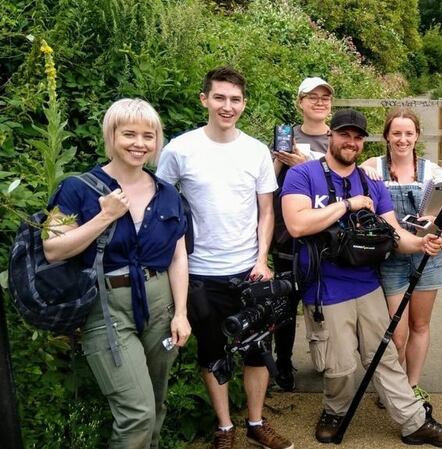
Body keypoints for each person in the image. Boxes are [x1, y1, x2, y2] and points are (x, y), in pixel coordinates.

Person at [281, 108, 442, 447]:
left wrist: (421, 243)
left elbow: (394, 234)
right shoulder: (303, 176)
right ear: (330, 137)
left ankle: (413, 421)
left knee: (384, 356)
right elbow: (297, 224)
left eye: (356, 136)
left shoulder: (370, 182)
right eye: (344, 134)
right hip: (324, 287)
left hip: (367, 283)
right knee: (339, 367)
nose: (350, 141)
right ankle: (334, 410)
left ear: (363, 142)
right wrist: (348, 205)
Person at [156, 67, 293, 449]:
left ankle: (255, 422)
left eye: (234, 99)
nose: (227, 106)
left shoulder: (256, 152)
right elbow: (162, 206)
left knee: (256, 350)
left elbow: (267, 210)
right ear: (205, 100)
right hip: (199, 272)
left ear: (244, 104)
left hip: (249, 271)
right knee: (212, 352)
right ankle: (225, 427)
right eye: (219, 98)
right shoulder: (179, 150)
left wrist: (262, 259)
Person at [43, 98, 191, 448]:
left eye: (148, 135)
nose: (139, 143)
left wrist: (181, 313)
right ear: (111, 135)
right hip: (107, 307)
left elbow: (178, 256)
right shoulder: (75, 189)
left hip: (161, 306)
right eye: (129, 134)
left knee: (155, 405)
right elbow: (53, 248)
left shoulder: (168, 194)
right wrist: (104, 216)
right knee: (136, 413)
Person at [360, 107, 442, 404]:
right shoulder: (372, 167)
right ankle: (393, 390)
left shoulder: (433, 172)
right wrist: (364, 173)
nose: (402, 139)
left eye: (408, 133)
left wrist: (438, 219)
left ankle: (411, 386)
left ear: (417, 136)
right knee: (396, 333)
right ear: (385, 136)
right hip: (390, 258)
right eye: (396, 133)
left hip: (428, 255)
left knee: (420, 326)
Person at [269, 76, 333, 392]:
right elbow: (268, 185)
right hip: (286, 236)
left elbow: (342, 186)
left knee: (326, 299)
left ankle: (328, 358)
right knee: (284, 302)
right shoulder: (286, 138)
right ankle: (282, 363)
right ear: (300, 102)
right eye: (312, 97)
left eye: (325, 97)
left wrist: (305, 166)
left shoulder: (339, 140)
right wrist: (284, 162)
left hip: (326, 235)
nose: (319, 102)